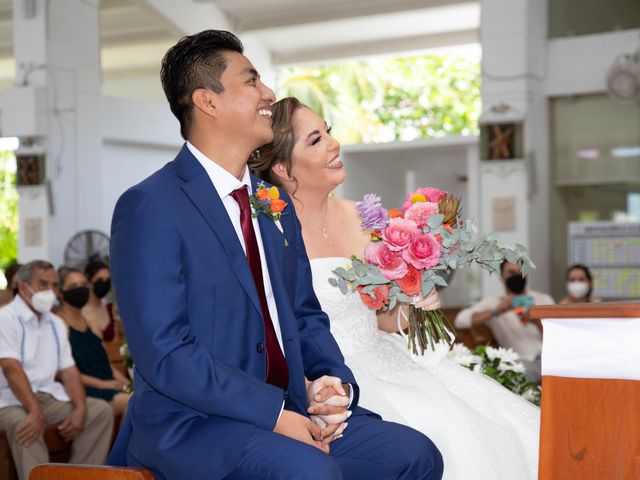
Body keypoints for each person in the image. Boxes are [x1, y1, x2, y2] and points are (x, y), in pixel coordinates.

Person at [107, 30, 442, 480]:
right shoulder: (152, 205)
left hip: (289, 408)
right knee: (310, 473)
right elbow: (165, 354)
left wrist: (330, 383)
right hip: (196, 424)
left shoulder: (271, 202)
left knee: (414, 455)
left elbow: (304, 315)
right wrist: (274, 415)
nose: (269, 94)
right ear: (207, 101)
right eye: (251, 81)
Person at [250, 96, 542, 480]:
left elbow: (384, 318)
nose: (334, 144)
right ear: (283, 167)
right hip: (327, 377)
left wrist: (416, 302)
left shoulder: (366, 220)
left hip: (385, 355)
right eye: (316, 139)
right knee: (436, 428)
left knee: (501, 424)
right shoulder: (266, 230)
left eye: (330, 132)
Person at [0, 261, 113, 480]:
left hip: (48, 397)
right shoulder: (5, 319)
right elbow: (11, 369)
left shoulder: (56, 324)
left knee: (99, 411)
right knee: (26, 424)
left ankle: (76, 477)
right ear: (23, 287)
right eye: (42, 284)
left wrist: (80, 408)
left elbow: (69, 371)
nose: (49, 291)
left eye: (53, 285)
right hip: (8, 400)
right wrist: (34, 411)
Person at [455, 260, 555, 383]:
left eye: (520, 272)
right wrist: (497, 310)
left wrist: (536, 320)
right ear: (501, 276)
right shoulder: (495, 303)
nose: (516, 276)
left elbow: (557, 336)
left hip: (551, 357)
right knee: (514, 371)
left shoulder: (543, 300)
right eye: (511, 272)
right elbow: (461, 320)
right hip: (523, 362)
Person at [57, 267, 130, 421]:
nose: (81, 289)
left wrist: (125, 383)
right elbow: (63, 371)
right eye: (74, 286)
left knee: (144, 399)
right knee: (132, 404)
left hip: (108, 385)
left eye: (83, 284)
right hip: (85, 389)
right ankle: (123, 446)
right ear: (60, 292)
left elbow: (105, 363)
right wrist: (104, 384)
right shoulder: (59, 325)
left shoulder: (92, 325)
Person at [82, 260, 118, 342]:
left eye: (108, 280)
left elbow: (116, 343)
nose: (104, 283)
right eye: (100, 280)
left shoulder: (110, 309)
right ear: (88, 282)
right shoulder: (80, 312)